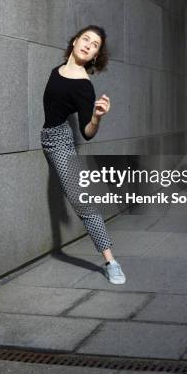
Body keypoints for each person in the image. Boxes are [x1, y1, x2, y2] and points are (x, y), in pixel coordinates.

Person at [40, 25, 126, 285]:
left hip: (61, 143)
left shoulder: (84, 87)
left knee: (83, 204)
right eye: (85, 39)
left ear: (96, 56)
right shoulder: (56, 71)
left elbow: (87, 132)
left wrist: (97, 117)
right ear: (75, 40)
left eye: (95, 45)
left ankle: (111, 262)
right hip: (47, 136)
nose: (88, 44)